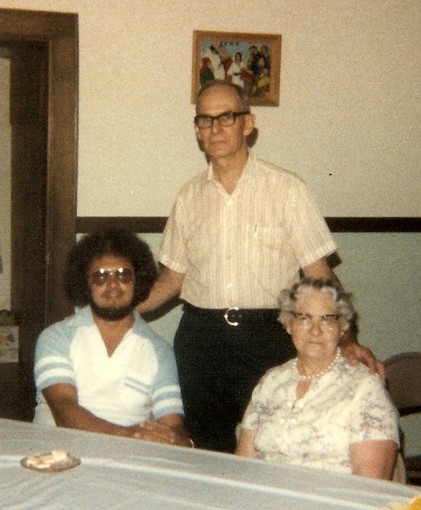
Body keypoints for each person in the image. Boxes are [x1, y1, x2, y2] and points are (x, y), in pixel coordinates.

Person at [138, 80, 381, 453]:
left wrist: (347, 339)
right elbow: (172, 278)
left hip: (268, 338)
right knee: (205, 452)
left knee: (274, 447)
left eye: (226, 117)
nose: (215, 129)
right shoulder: (188, 197)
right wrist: (118, 311)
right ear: (197, 130)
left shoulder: (287, 189)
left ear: (248, 124)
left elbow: (319, 276)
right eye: (205, 120)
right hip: (201, 342)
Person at [33, 228, 192, 447]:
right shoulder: (56, 337)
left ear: (138, 280)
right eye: (100, 276)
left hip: (128, 460)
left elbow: (172, 424)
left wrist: (178, 440)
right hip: (57, 456)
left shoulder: (159, 351)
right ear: (86, 284)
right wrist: (126, 435)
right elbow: (64, 411)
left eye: (123, 274)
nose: (113, 284)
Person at [236, 278, 399, 479]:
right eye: (304, 318)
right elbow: (244, 465)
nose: (315, 330)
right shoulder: (270, 382)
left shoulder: (364, 388)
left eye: (327, 319)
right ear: (289, 324)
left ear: (342, 328)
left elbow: (370, 485)